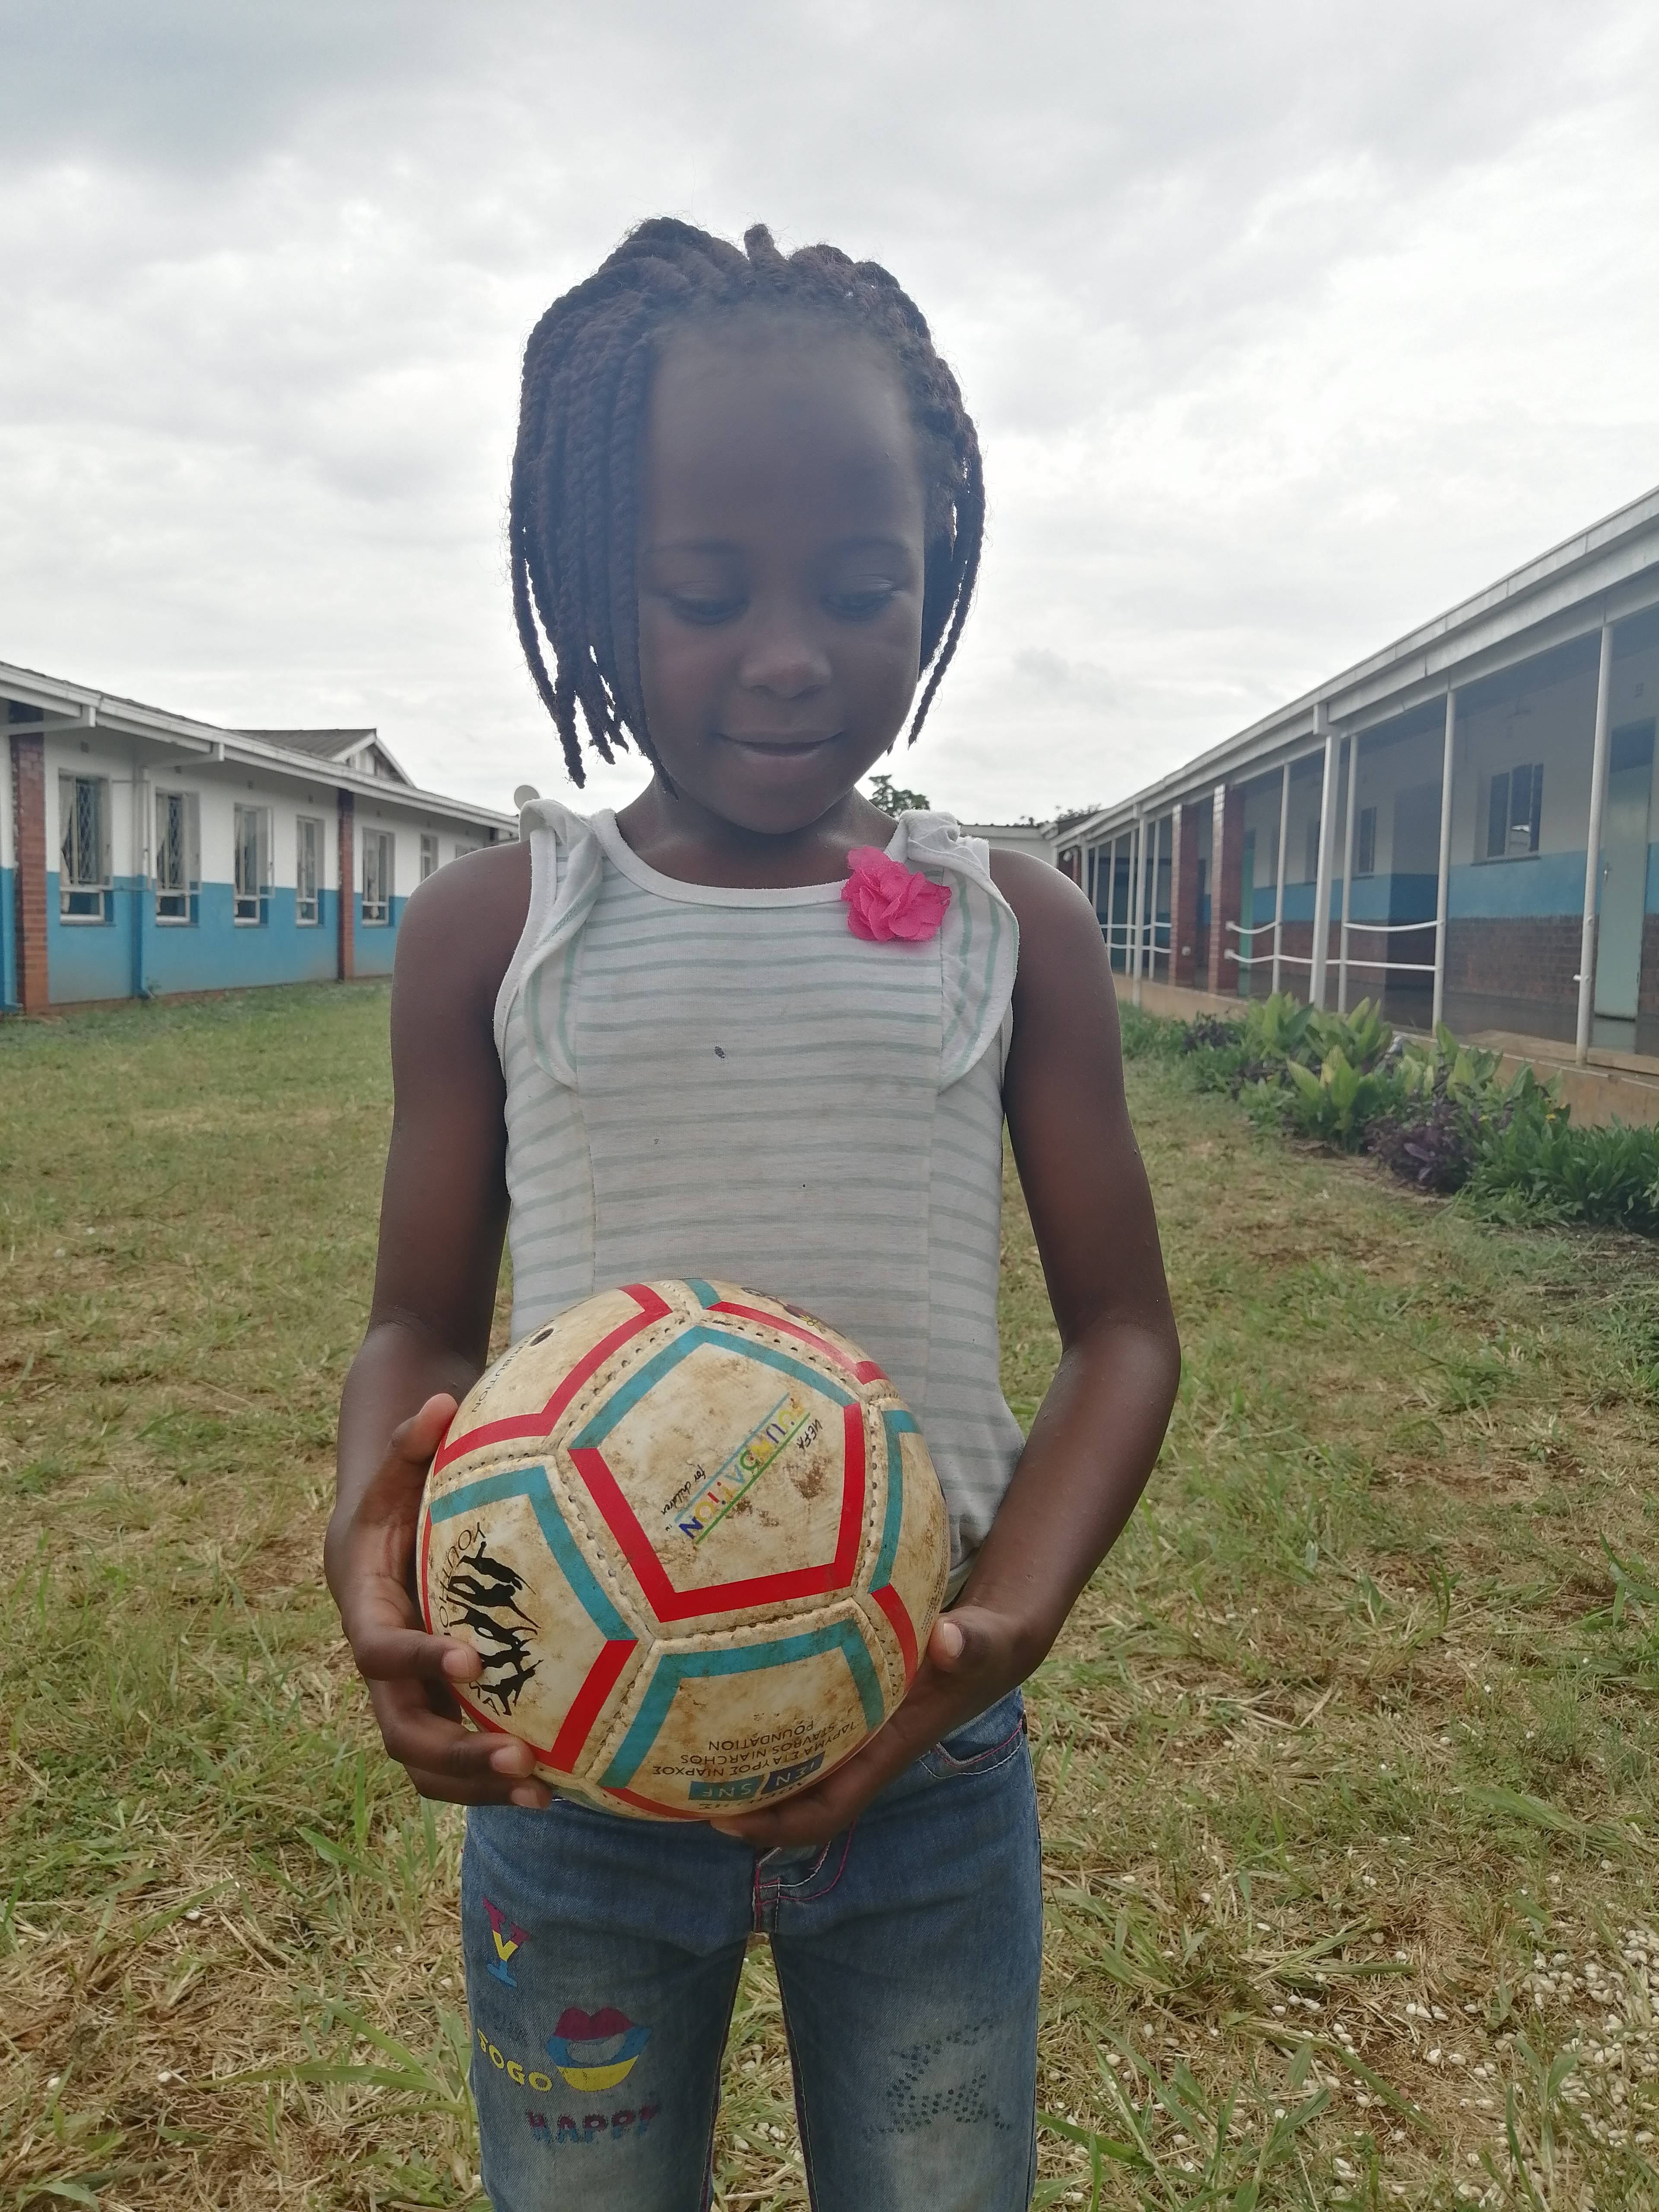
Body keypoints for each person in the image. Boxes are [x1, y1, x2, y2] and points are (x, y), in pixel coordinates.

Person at [326, 218, 1180, 2212]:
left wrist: (1004, 1628)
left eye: (862, 588)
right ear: (597, 590)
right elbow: (421, 1329)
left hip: (931, 1757)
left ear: (941, 579)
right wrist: (367, 1557)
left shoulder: (1007, 926)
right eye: (705, 591)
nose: (788, 650)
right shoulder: (499, 931)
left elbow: (1125, 1329)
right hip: (577, 1760)